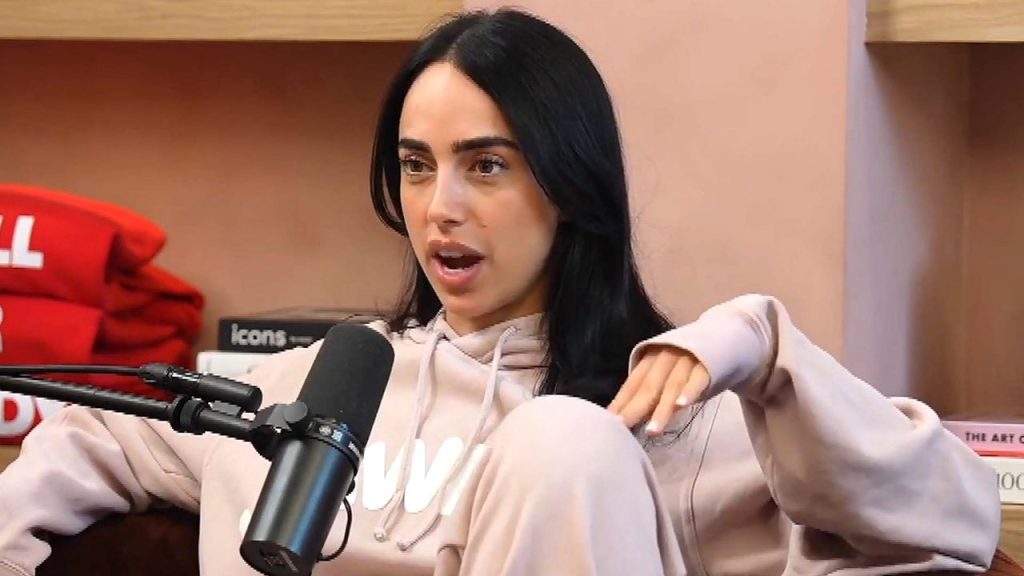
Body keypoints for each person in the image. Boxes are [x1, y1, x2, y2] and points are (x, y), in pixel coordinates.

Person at [0, 8, 1000, 576]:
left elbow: (957, 525)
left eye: (486, 166)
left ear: (568, 184)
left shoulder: (659, 428)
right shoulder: (307, 390)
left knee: (563, 442)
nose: (440, 208)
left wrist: (759, 344)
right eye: (415, 165)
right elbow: (93, 437)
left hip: (592, 429)